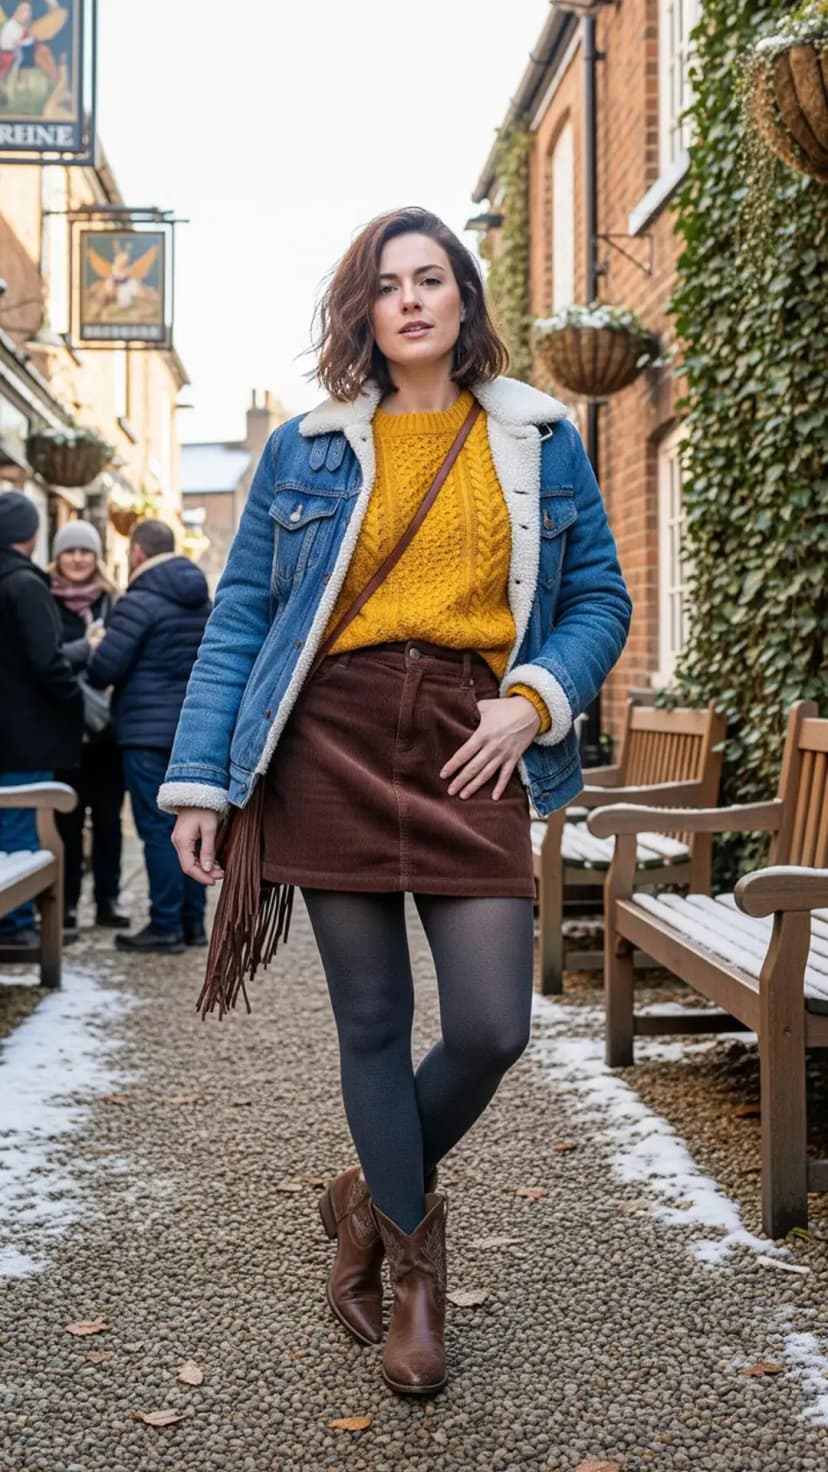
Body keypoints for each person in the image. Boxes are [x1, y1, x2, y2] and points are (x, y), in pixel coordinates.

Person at [159, 207, 632, 1396]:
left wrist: (533, 698)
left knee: (490, 1024)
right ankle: (415, 1276)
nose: (411, 299)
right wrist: (205, 780)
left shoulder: (537, 436)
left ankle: (367, 1197)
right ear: (361, 311)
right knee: (370, 1016)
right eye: (387, 284)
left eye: (432, 278)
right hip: (334, 733)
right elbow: (243, 625)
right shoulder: (305, 450)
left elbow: (600, 601)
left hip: (475, 736)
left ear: (465, 298)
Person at [87, 519, 211, 954]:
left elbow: (106, 669)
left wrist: (96, 645)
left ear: (137, 553)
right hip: (192, 731)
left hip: (144, 732)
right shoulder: (201, 598)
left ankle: (164, 926)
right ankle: (193, 924)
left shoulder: (138, 600)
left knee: (157, 830)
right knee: (191, 827)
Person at [0, 490, 83, 946]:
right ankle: (14, 926)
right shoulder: (25, 584)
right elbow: (48, 663)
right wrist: (75, 703)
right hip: (27, 730)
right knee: (21, 825)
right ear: (32, 535)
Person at [49, 519, 129, 935]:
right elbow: (44, 659)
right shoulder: (44, 600)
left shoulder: (113, 601)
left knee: (109, 822)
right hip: (63, 732)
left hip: (108, 734)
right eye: (70, 551)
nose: (78, 559)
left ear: (96, 557)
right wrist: (87, 648)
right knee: (65, 822)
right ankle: (64, 907)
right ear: (58, 557)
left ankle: (107, 901)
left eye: (85, 551)